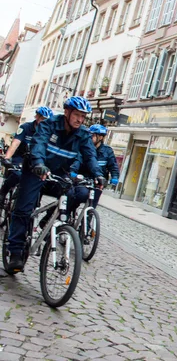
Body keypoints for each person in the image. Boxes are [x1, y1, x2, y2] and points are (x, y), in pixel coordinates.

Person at [6, 96, 105, 274]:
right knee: (23, 209)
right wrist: (38, 163)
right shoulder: (49, 125)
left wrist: (98, 174)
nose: (80, 120)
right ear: (66, 112)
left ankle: (49, 223)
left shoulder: (82, 134)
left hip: (59, 175)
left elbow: (90, 156)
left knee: (78, 194)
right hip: (36, 171)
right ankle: (15, 252)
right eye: (77, 115)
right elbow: (38, 145)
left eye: (83, 117)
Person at [0, 106, 54, 204]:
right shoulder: (25, 127)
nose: (44, 122)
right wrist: (7, 158)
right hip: (21, 157)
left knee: (40, 179)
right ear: (37, 117)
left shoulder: (48, 132)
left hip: (35, 160)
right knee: (17, 174)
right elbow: (15, 143)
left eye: (47, 120)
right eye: (42, 119)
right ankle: (3, 191)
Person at [71, 124, 119, 208]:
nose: (89, 137)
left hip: (98, 182)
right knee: (77, 198)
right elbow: (77, 161)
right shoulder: (84, 148)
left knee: (91, 206)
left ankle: (87, 218)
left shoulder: (107, 151)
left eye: (92, 135)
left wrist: (114, 177)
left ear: (100, 137)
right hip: (83, 180)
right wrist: (73, 172)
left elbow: (113, 165)